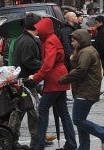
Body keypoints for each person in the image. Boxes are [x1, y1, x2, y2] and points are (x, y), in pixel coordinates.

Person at [58, 29, 104, 150]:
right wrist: (73, 59)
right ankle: (84, 147)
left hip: (86, 90)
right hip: (85, 89)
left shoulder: (86, 52)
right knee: (82, 121)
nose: (72, 43)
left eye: (74, 41)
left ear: (81, 40)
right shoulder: (84, 51)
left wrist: (62, 79)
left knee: (78, 120)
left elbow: (81, 70)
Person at [29, 17, 77, 150]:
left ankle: (39, 144)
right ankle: (71, 143)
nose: (38, 32)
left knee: (43, 110)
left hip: (54, 79)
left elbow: (48, 64)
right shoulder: (52, 38)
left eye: (39, 30)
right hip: (60, 76)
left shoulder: (49, 41)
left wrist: (36, 78)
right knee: (63, 113)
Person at [8, 13, 43, 149]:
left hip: (22, 82)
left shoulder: (22, 39)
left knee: (20, 110)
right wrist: (43, 64)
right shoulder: (28, 41)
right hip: (26, 82)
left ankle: (12, 139)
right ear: (35, 25)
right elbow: (28, 60)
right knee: (33, 110)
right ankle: (35, 140)